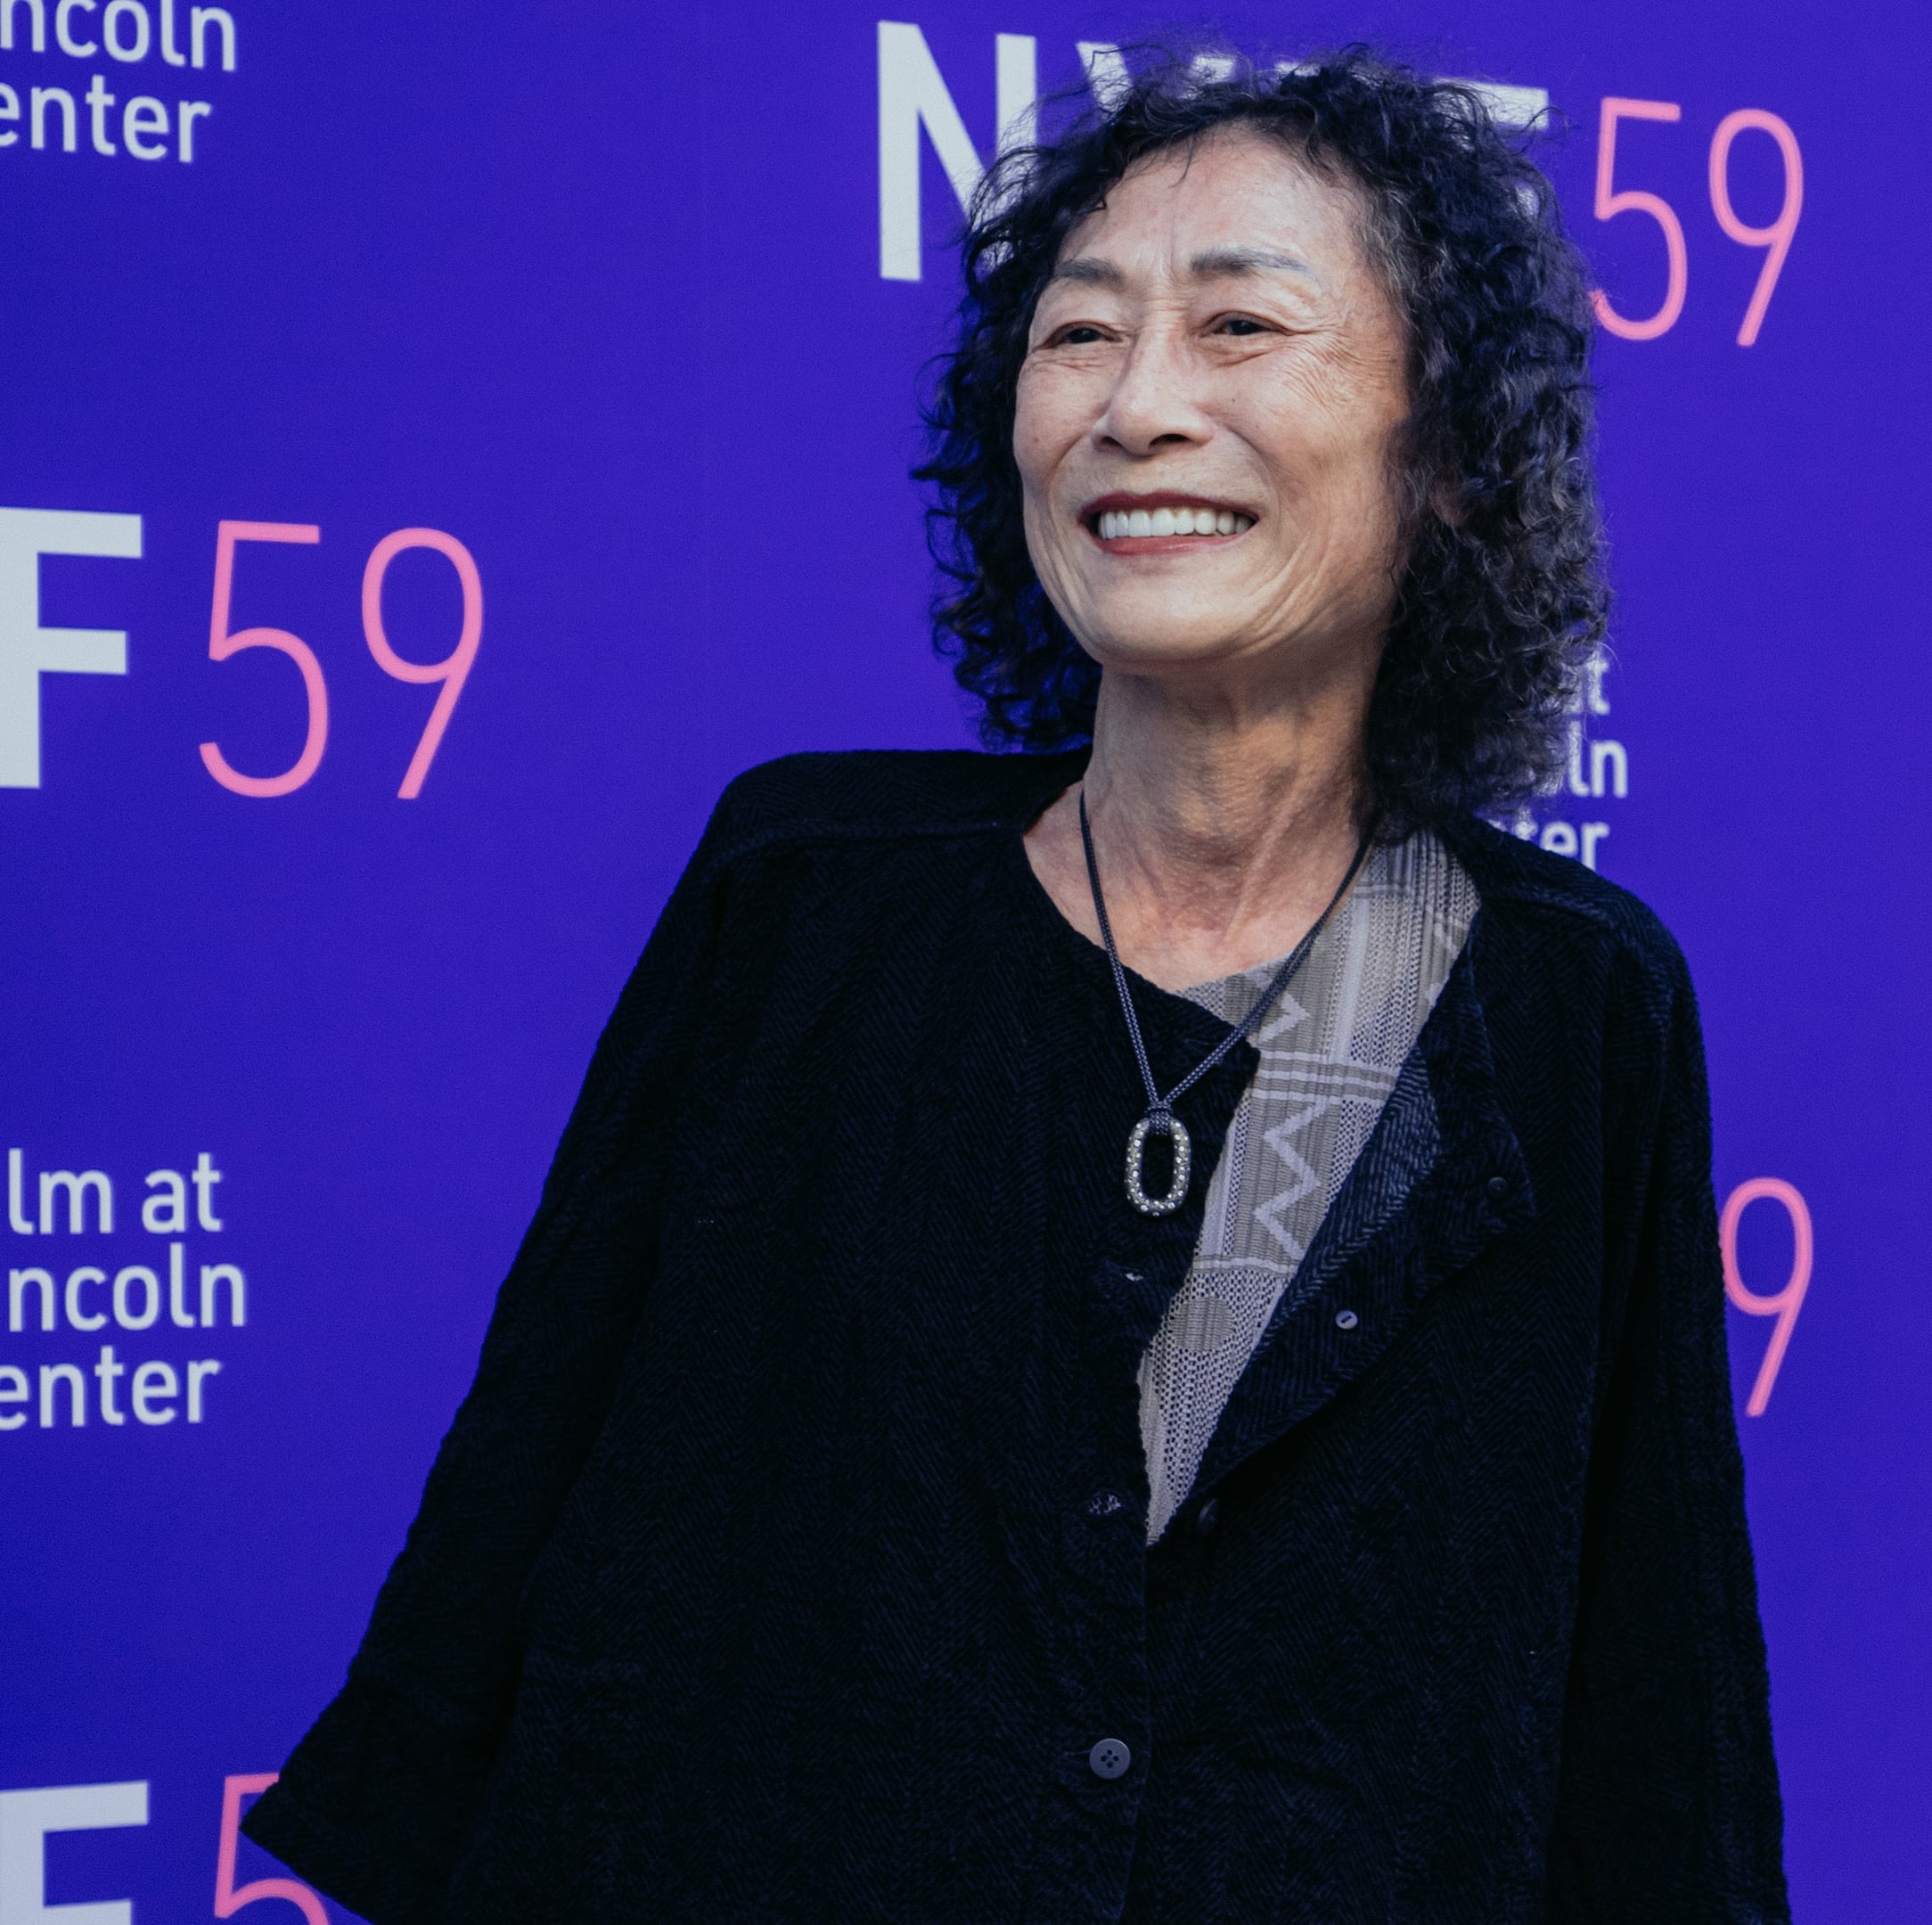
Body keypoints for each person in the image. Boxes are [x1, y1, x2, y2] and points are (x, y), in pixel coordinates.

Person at [243, 47, 1786, 1922]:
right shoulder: (803, 898)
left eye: (1240, 328)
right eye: (1079, 338)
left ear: (1448, 457)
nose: (1141, 406)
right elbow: (523, 1520)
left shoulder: (1575, 1005)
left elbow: (1654, 1700)